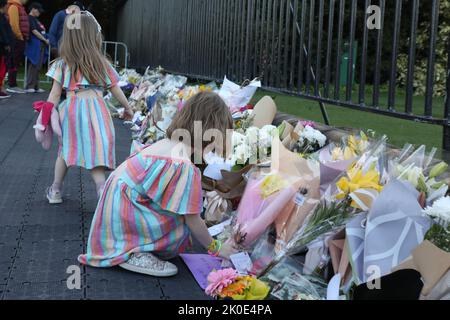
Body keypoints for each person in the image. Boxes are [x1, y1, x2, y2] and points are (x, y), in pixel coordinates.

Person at [78, 92, 238, 277]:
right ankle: (132, 251)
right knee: (181, 219)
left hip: (117, 211)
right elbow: (192, 219)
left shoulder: (168, 144)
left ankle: (130, 245)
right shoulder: (183, 165)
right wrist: (217, 248)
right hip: (124, 217)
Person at [44, 12, 133, 205]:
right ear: (94, 36)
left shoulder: (63, 64)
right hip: (98, 109)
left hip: (72, 110)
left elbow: (55, 94)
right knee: (95, 151)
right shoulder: (101, 63)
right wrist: (128, 108)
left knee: (65, 150)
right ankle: (101, 189)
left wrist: (45, 116)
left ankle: (56, 190)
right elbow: (115, 89)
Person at [6, 0, 29, 94]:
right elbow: (14, 24)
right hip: (16, 39)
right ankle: (12, 85)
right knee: (13, 61)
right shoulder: (14, 7)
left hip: (19, 39)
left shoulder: (19, 7)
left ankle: (13, 84)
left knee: (15, 61)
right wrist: (19, 36)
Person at [24, 2, 48, 93]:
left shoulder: (36, 19)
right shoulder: (30, 18)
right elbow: (34, 31)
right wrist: (45, 40)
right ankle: (30, 85)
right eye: (38, 11)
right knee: (33, 65)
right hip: (34, 45)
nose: (40, 13)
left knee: (38, 66)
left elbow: (41, 30)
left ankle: (36, 86)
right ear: (33, 9)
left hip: (40, 44)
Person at [0, 0, 13, 98]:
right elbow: (3, 32)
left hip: (3, 45)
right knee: (2, 68)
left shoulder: (3, 17)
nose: (8, 8)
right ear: (3, 6)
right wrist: (7, 43)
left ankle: (1, 89)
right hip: (2, 47)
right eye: (7, 6)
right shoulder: (1, 18)